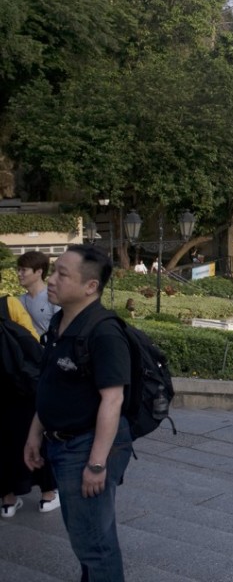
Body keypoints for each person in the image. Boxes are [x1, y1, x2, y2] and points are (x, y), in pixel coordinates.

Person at [23, 245, 134, 581]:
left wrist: (96, 465)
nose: (51, 280)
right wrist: (35, 432)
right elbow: (53, 383)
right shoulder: (60, 322)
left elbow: (112, 401)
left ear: (90, 287)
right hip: (62, 444)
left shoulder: (104, 332)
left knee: (95, 545)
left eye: (61, 274)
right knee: (86, 536)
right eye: (53, 271)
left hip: (86, 448)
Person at [1, 296, 60, 519]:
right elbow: (31, 341)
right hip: (18, 388)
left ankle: (7, 501)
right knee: (33, 436)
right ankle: (47, 494)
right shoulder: (8, 304)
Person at [16, 251, 58, 337]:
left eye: (24, 270)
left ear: (39, 272)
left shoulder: (54, 297)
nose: (19, 274)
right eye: (18, 269)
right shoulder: (19, 301)